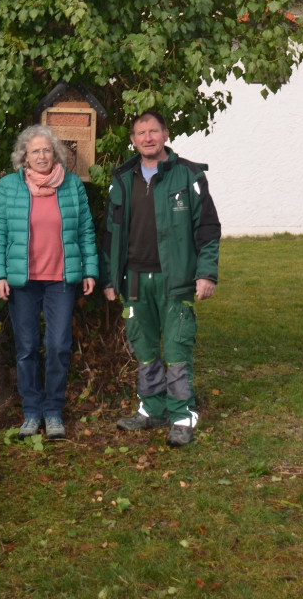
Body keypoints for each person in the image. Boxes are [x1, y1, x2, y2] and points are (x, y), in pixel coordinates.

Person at [100, 110, 220, 447]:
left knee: (177, 347)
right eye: (141, 133)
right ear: (133, 139)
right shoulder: (122, 179)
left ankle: (182, 415)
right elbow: (110, 235)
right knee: (145, 348)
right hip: (134, 281)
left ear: (165, 134)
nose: (148, 138)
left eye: (154, 131)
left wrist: (206, 273)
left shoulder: (189, 176)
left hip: (176, 279)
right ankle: (151, 409)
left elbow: (208, 229)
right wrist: (110, 279)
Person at [0, 124, 98, 439]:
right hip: (22, 281)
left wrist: (89, 269)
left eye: (46, 150)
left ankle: (53, 412)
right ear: (24, 155)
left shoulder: (72, 185)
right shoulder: (9, 186)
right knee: (25, 349)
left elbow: (86, 231)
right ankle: (32, 412)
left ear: (56, 153)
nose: (41, 156)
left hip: (60, 280)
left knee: (59, 346)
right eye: (34, 150)